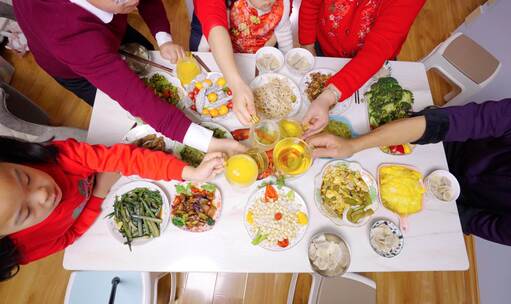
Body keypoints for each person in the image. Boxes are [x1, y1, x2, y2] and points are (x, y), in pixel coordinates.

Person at [12, 0, 245, 156]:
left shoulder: (117, 3)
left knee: (142, 53)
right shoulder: (67, 36)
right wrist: (210, 143)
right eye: (122, 0)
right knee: (121, 113)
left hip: (104, 29)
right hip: (70, 67)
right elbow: (139, 101)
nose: (134, 3)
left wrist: (163, 39)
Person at [0, 136, 226, 281]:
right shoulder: (22, 248)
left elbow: (124, 159)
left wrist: (190, 173)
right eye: (26, 212)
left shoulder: (59, 157)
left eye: (25, 178)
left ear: (12, 157)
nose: (43, 194)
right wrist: (99, 192)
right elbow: (67, 237)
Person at [306, 99, 511, 246]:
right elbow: (444, 123)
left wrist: (431, 208)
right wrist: (353, 145)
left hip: (449, 204)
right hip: (443, 144)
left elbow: (477, 222)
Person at [299, 0, 426, 137]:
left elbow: (377, 50)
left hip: (370, 65)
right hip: (325, 46)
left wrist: (328, 96)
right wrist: (307, 46)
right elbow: (311, 4)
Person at [192, 0, 294, 125]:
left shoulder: (283, 5)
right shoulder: (230, 6)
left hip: (255, 56)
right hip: (228, 53)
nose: (269, 2)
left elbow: (284, 34)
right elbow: (212, 32)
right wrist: (204, 54)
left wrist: (287, 66)